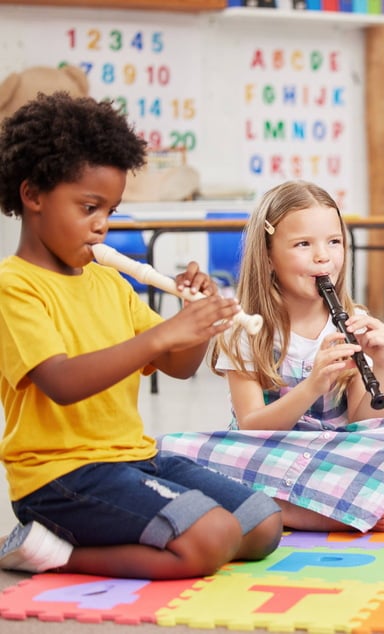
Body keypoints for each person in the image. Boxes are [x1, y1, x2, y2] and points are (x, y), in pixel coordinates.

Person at [0, 92, 283, 578]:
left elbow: (179, 366)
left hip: (134, 458)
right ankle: (51, 551)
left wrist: (192, 318)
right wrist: (161, 336)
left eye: (110, 210)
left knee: (262, 525)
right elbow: (63, 384)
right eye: (89, 207)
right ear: (33, 195)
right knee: (211, 539)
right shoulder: (14, 286)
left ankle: (162, 536)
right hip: (60, 477)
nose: (102, 226)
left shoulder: (109, 281)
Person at [160, 180, 384, 533]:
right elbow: (252, 427)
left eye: (334, 242)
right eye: (303, 244)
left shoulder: (352, 319)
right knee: (167, 451)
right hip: (266, 452)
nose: (323, 257)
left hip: (329, 456)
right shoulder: (246, 329)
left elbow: (365, 423)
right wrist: (312, 386)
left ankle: (270, 503)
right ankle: (313, 509)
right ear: (268, 256)